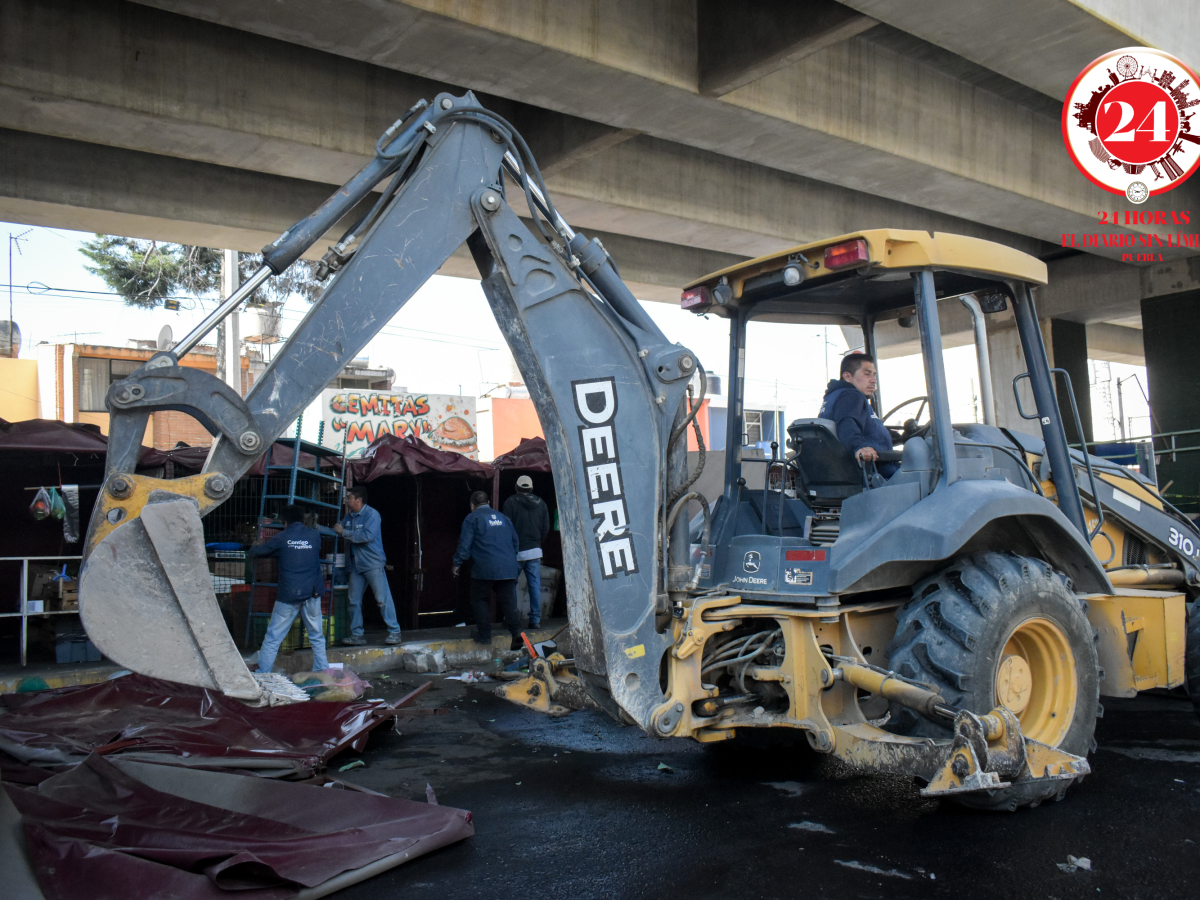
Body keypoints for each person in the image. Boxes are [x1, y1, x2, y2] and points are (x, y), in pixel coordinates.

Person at [250, 504, 328, 673]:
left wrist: (255, 546)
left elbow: (260, 551)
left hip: (289, 595)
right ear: (302, 520)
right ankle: (322, 673)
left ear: (284, 522)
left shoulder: (282, 538)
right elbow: (302, 554)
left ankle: (263, 674)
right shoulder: (315, 536)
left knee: (273, 638)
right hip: (312, 593)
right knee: (317, 637)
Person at [452, 490, 522, 649]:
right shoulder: (504, 518)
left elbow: (465, 545)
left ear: (472, 505)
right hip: (508, 568)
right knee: (508, 602)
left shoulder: (472, 518)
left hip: (485, 568)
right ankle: (517, 632)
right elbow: (516, 542)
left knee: (479, 599)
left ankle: (484, 635)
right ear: (489, 502)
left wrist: (457, 563)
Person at [334, 485, 402, 646]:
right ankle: (357, 635)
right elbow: (337, 530)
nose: (346, 501)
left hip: (372, 563)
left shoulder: (372, 515)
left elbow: (366, 536)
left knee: (382, 599)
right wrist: (317, 528)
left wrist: (344, 532)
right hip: (357, 565)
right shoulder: (349, 517)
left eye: (349, 498)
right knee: (353, 600)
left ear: (358, 500)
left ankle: (395, 632)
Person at [818, 352, 900, 478]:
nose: (873, 380)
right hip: (878, 476)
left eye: (874, 375)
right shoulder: (851, 396)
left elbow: (860, 427)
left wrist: (891, 436)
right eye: (867, 374)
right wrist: (860, 447)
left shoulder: (834, 396)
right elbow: (847, 425)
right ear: (847, 376)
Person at [502, 474, 551, 628]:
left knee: (511, 586)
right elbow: (546, 528)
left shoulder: (510, 502)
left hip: (515, 552)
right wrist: (537, 542)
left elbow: (506, 528)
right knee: (534, 585)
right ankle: (535, 619)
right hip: (535, 551)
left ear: (516, 487)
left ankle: (512, 619)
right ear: (531, 488)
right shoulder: (541, 503)